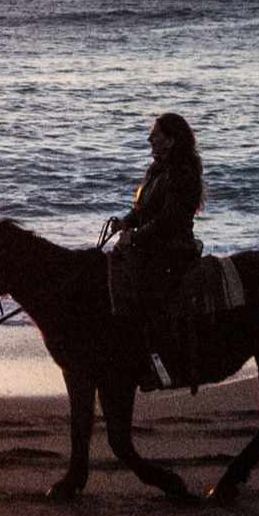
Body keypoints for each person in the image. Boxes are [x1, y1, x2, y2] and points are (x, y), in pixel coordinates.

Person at [108, 112, 205, 387]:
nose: (149, 139)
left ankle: (159, 362)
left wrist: (135, 237)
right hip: (150, 244)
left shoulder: (182, 173)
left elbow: (169, 220)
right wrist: (126, 222)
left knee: (147, 294)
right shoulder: (156, 170)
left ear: (171, 141)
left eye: (156, 134)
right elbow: (143, 210)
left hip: (172, 249)